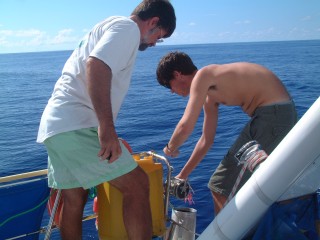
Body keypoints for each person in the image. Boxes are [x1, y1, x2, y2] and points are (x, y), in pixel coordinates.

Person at [37, 1, 176, 239]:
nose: (154, 43)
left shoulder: (106, 25)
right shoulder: (128, 29)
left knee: (75, 197)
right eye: (159, 37)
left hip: (56, 126)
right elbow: (97, 65)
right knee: (137, 185)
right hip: (77, 123)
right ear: (153, 22)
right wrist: (106, 128)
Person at [156, 51, 297, 215]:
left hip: (272, 116)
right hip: (278, 116)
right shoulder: (210, 93)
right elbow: (206, 140)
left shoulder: (204, 75)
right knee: (265, 184)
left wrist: (170, 147)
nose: (172, 91)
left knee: (220, 186)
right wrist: (183, 175)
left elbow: (185, 126)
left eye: (168, 85)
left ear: (178, 74)